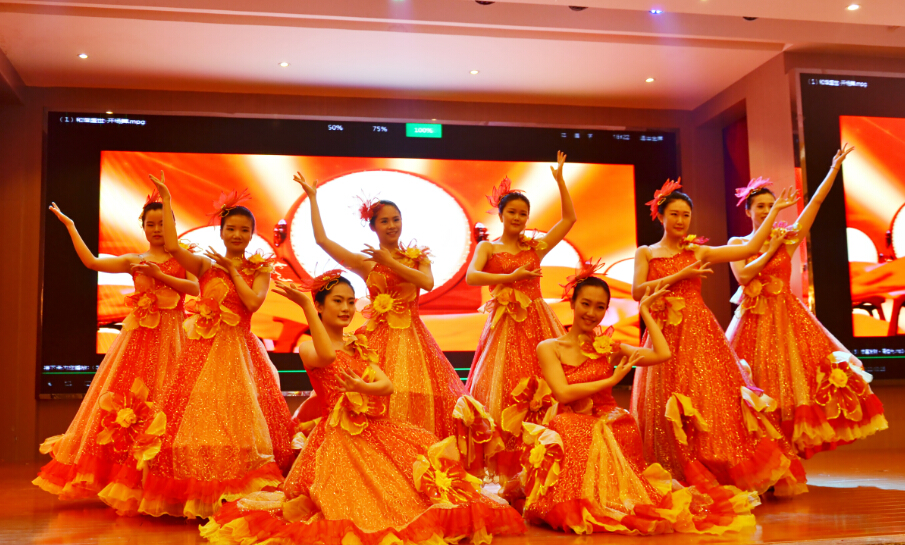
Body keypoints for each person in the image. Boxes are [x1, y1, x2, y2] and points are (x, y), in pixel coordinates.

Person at [200, 272, 526, 545]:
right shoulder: (308, 346)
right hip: (338, 437)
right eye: (337, 301)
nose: (346, 308)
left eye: (350, 301)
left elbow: (386, 385)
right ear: (320, 306)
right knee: (350, 505)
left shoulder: (358, 343)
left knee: (409, 493)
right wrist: (305, 306)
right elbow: (327, 356)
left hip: (374, 429)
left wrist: (364, 388)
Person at [520, 270, 759, 535]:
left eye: (600, 307)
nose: (591, 313)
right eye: (585, 304)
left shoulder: (609, 347)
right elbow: (563, 394)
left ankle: (605, 500)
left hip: (609, 420)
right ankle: (578, 501)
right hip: (572, 420)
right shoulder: (549, 347)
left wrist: (645, 311)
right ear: (573, 303)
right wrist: (613, 379)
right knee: (568, 425)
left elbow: (661, 353)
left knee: (605, 428)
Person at [124, 173, 293, 519]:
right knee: (200, 417)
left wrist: (233, 270)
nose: (237, 235)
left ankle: (238, 489)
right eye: (231, 229)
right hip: (204, 350)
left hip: (241, 351)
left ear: (252, 234)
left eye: (244, 230)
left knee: (239, 418)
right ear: (222, 232)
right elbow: (174, 249)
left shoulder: (260, 269)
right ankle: (202, 487)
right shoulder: (204, 265)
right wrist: (167, 199)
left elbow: (252, 304)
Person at [630, 179, 808, 496]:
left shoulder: (697, 250)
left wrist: (774, 212)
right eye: (674, 214)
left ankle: (712, 465)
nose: (681, 220)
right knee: (665, 401)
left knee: (708, 400)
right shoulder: (646, 252)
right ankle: (674, 468)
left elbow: (749, 249)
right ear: (661, 216)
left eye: (686, 215)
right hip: (663, 332)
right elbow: (637, 291)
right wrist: (680, 276)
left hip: (699, 332)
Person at [34, 195, 198, 502]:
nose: (156, 229)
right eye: (150, 224)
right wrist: (71, 226)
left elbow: (196, 288)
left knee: (171, 402)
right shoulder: (135, 260)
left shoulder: (184, 257)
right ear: (143, 228)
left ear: (173, 226)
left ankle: (164, 479)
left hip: (174, 337)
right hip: (138, 342)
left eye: (163, 224)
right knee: (130, 403)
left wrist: (160, 275)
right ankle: (128, 477)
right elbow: (92, 262)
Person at [727, 145, 887, 458]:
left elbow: (814, 204)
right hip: (753, 321)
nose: (766, 210)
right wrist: (770, 249)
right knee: (756, 384)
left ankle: (786, 454)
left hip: (787, 318)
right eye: (760, 206)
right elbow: (744, 276)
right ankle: (765, 454)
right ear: (748, 211)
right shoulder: (739, 243)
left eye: (771, 205)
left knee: (794, 384)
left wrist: (832, 170)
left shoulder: (785, 238)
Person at [293, 173, 465, 438]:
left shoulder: (418, 257)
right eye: (384, 221)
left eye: (396, 219)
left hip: (414, 339)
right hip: (376, 338)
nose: (392, 225)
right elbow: (323, 241)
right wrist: (313, 199)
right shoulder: (366, 262)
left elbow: (427, 282)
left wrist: (391, 263)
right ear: (373, 227)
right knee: (372, 395)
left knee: (416, 395)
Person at [464, 151, 575, 480]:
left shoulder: (535, 248)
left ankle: (545, 458)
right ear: (501, 215)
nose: (517, 217)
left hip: (537, 321)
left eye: (523, 213)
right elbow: (472, 276)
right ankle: (508, 467)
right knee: (505, 387)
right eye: (511, 212)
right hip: (504, 325)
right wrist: (509, 278)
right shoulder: (488, 248)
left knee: (546, 384)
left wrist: (560, 181)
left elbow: (568, 220)